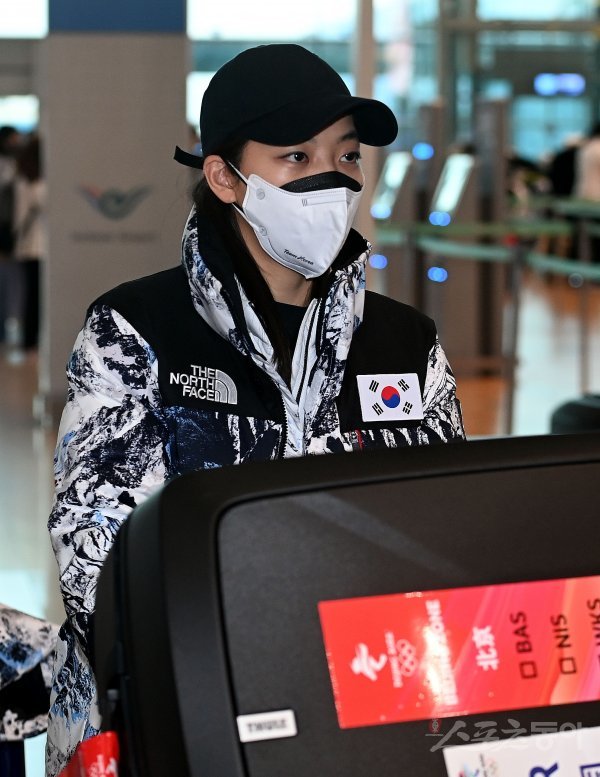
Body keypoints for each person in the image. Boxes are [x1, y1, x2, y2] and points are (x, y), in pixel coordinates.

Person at [46, 43, 465, 776]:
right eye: (296, 157)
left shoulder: (405, 342)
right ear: (224, 177)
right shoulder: (138, 330)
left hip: (358, 718)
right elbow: (96, 556)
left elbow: (445, 530)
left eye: (346, 155)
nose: (332, 178)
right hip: (174, 718)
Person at [12, 134, 46, 351]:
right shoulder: (35, 182)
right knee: (35, 295)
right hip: (37, 244)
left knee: (31, 295)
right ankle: (31, 339)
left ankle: (30, 339)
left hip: (28, 245)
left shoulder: (23, 179)